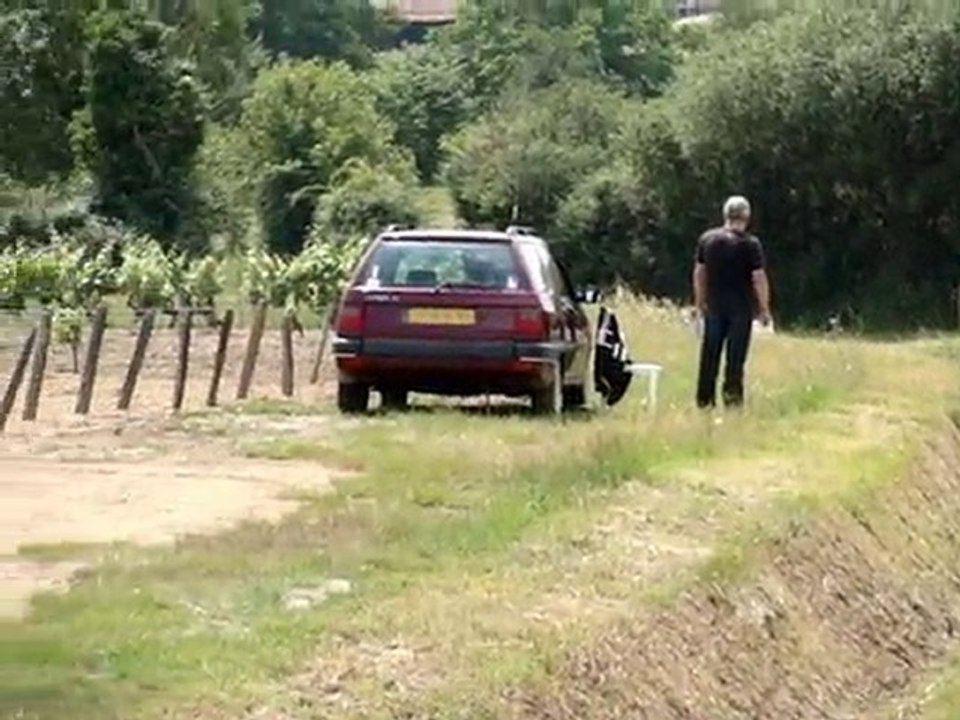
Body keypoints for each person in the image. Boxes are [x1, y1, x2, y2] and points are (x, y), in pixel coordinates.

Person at [693, 195, 772, 409]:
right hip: (741, 308)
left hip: (714, 306)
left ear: (725, 214)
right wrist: (764, 309)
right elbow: (758, 278)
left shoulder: (707, 240)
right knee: (735, 359)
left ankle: (704, 401)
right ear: (746, 217)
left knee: (709, 356)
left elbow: (700, 274)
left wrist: (700, 304)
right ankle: (732, 401)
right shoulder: (751, 245)